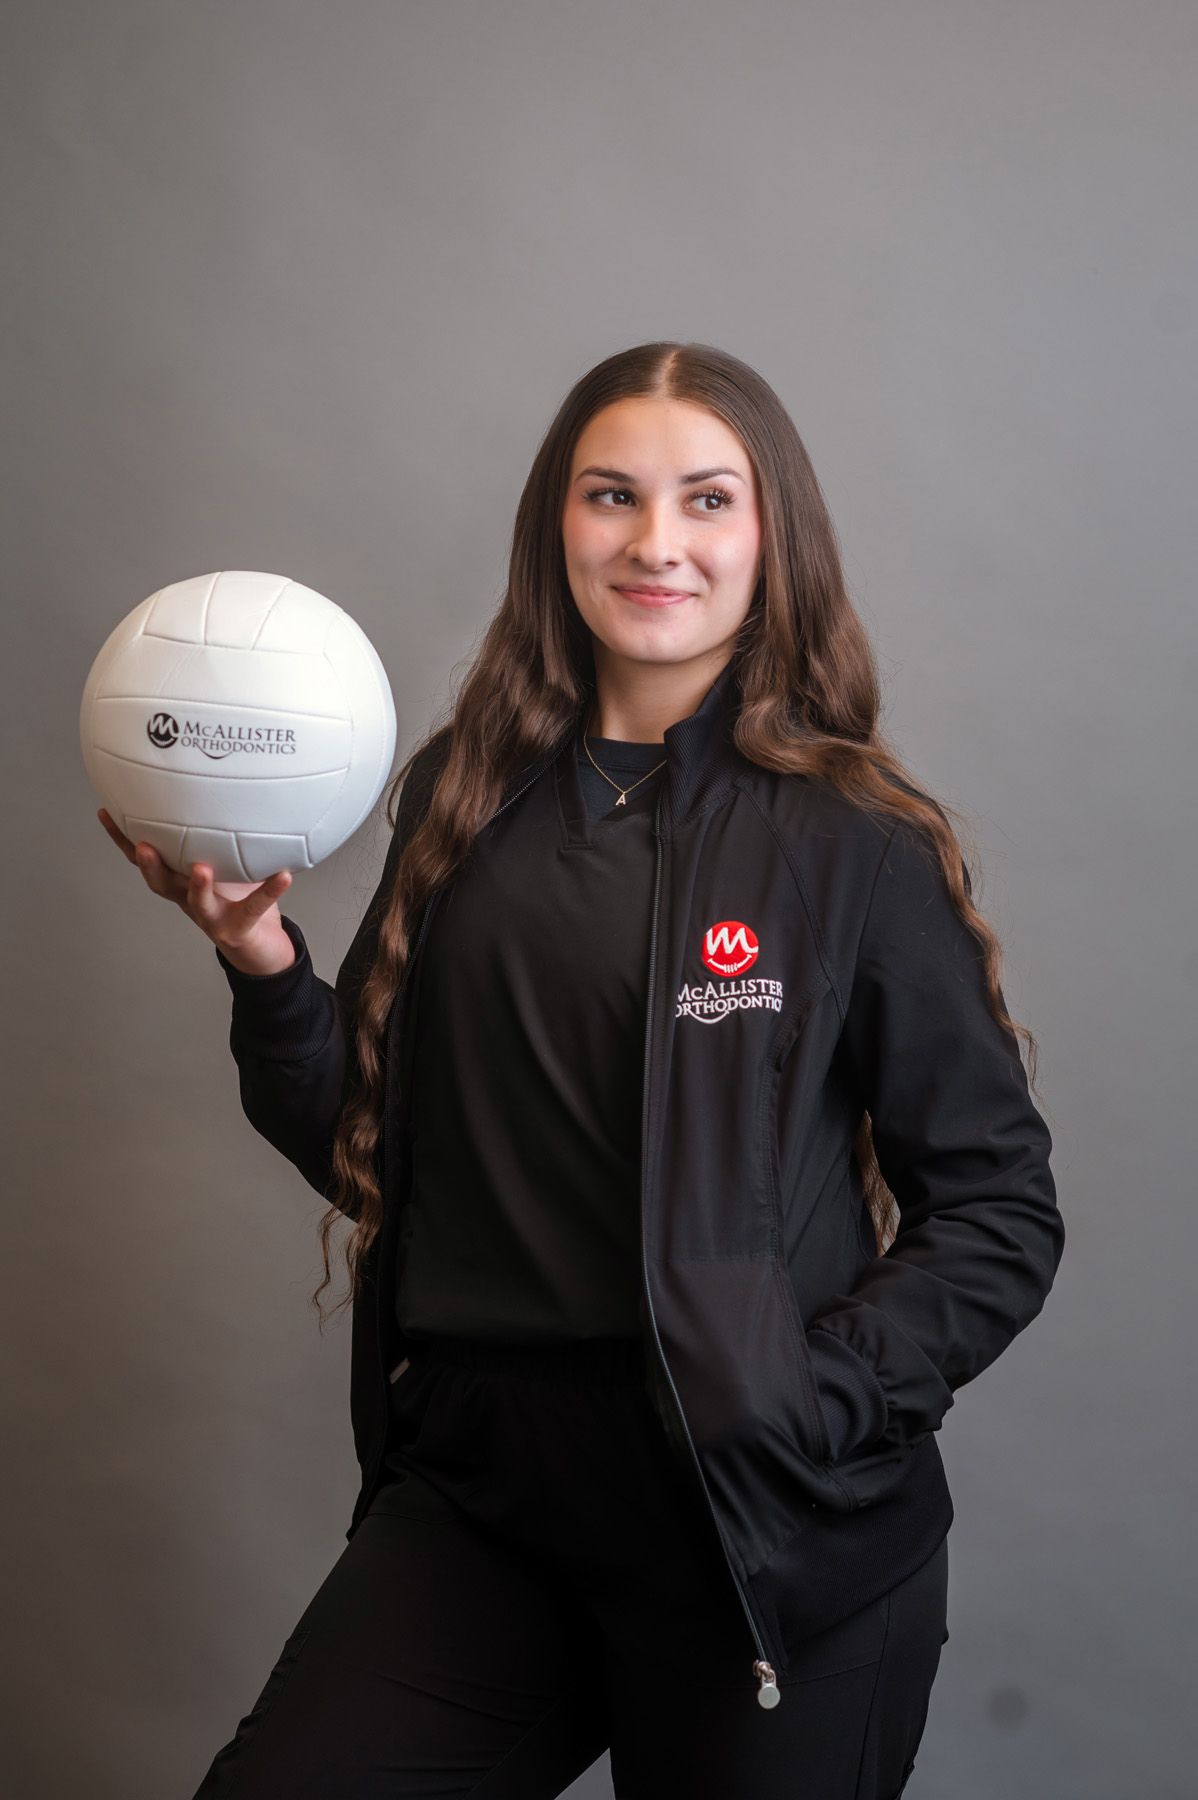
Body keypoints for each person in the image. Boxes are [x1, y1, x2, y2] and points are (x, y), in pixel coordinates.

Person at [100, 340, 1065, 1798]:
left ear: (770, 538)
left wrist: (807, 1402)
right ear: (558, 526)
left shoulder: (849, 843)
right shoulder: (463, 801)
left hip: (760, 1524)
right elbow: (373, 1149)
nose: (655, 541)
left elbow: (996, 1212)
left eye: (705, 499)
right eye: (610, 495)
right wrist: (261, 965)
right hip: (485, 1498)